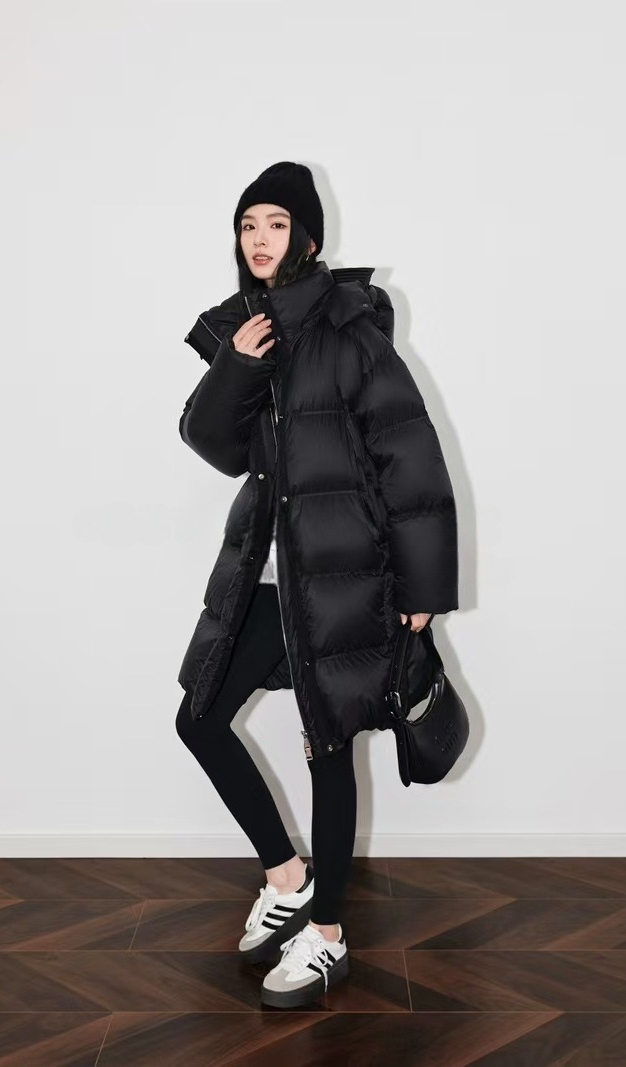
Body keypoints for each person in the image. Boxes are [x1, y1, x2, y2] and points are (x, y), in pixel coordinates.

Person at [175, 161, 458, 1008]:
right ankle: (287, 875)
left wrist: (422, 586)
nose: (258, 239)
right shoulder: (246, 330)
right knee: (198, 718)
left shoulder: (348, 330)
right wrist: (235, 366)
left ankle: (327, 934)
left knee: (327, 742)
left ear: (304, 235)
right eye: (247, 225)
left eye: (274, 223)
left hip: (345, 574)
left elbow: (411, 456)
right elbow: (215, 445)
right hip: (266, 574)